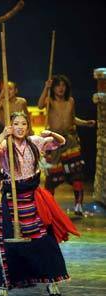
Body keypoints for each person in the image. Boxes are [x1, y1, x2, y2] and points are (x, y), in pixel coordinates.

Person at [0, 112, 79, 296]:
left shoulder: (35, 141)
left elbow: (61, 142)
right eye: (16, 124)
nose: (20, 127)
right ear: (10, 125)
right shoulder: (4, 145)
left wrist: (49, 132)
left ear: (28, 126)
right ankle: (3, 285)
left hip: (32, 198)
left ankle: (52, 282)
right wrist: (3, 134)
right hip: (11, 199)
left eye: (23, 124)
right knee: (7, 241)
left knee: (43, 240)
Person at [37, 75, 96, 215]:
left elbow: (72, 119)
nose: (61, 88)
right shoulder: (49, 101)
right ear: (54, 87)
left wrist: (85, 123)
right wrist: (46, 87)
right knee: (52, 177)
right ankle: (49, 206)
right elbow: (40, 106)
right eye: (58, 85)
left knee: (76, 173)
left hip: (70, 141)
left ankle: (78, 205)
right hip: (54, 142)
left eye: (63, 85)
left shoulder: (70, 101)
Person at [0, 81, 31, 193]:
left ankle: (16, 192)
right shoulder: (2, 102)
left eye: (10, 89)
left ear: (16, 90)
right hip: (1, 133)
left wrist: (29, 132)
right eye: (5, 89)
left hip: (16, 136)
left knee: (15, 165)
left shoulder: (22, 102)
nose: (8, 91)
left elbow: (27, 117)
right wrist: (1, 94)